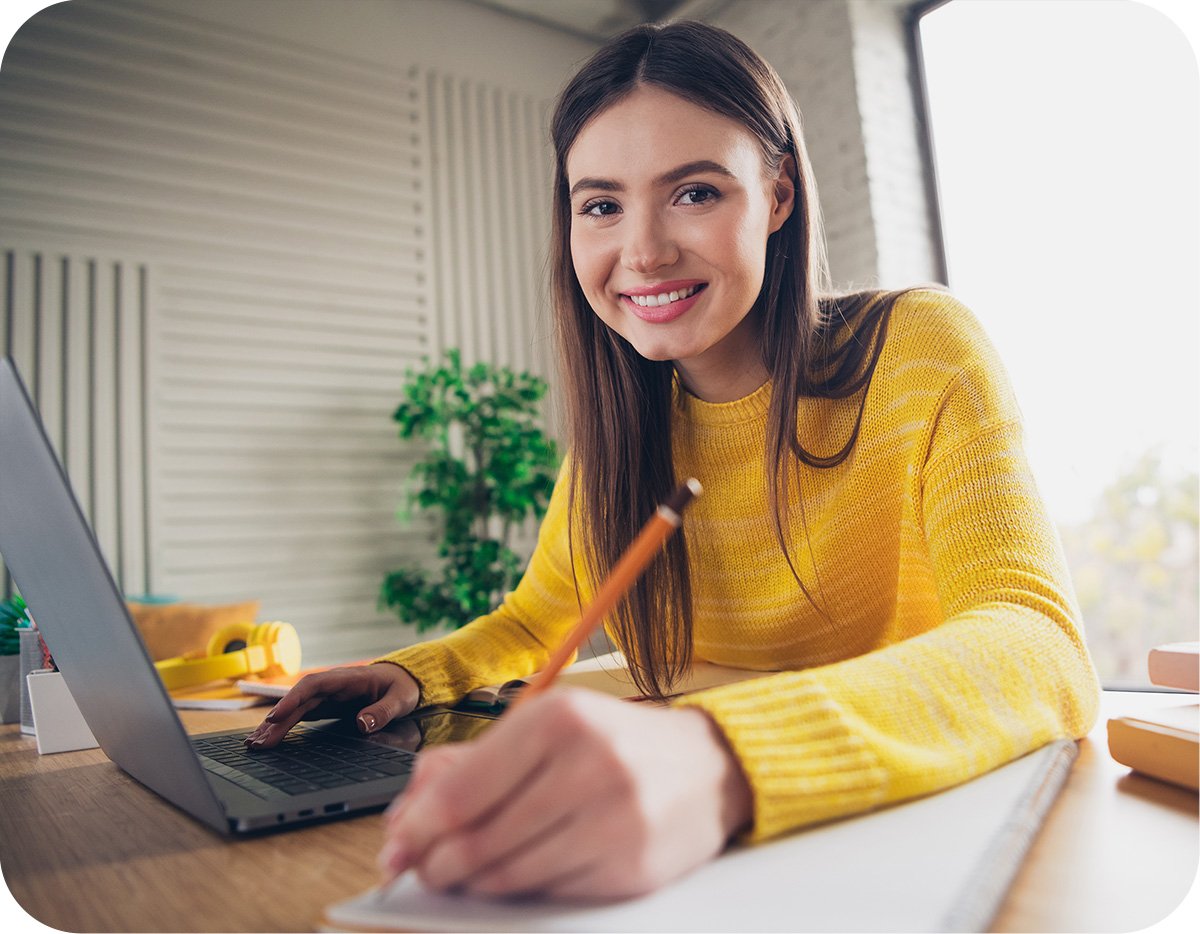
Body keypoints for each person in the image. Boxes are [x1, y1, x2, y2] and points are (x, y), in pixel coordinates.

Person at [245, 20, 1099, 901]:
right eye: (601, 206)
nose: (644, 251)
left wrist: (721, 758)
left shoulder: (918, 349)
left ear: (777, 196)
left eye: (694, 193)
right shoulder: (622, 433)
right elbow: (535, 623)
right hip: (710, 852)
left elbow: (1038, 644)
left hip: (906, 831)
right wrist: (412, 673)